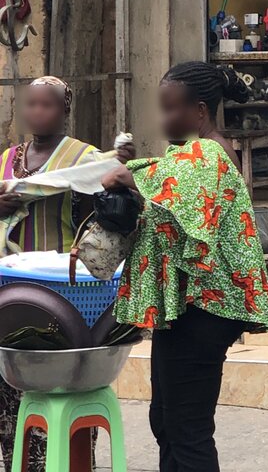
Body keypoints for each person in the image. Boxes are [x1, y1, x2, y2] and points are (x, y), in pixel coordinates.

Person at [103, 61, 268, 472]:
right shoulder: (191, 155)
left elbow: (185, 222)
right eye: (161, 109)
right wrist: (134, 173)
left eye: (172, 109)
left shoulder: (209, 153)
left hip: (203, 309)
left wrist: (136, 189)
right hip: (191, 308)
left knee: (187, 429)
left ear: (199, 111)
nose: (164, 119)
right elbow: (165, 180)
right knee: (167, 419)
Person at [0, 76, 135, 472]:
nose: (37, 113)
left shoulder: (84, 157)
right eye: (31, 105)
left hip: (64, 287)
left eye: (47, 105)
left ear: (65, 111)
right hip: (12, 285)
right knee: (11, 387)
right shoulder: (8, 159)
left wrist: (118, 163)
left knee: (59, 381)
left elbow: (110, 203)